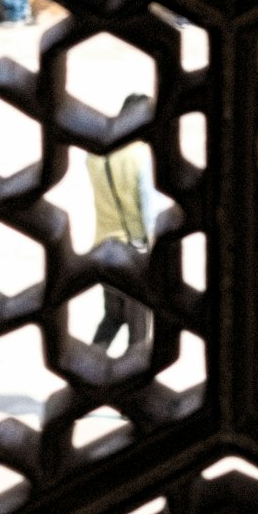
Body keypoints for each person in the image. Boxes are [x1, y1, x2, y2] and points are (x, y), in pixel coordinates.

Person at [83, 135, 160, 352]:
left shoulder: (95, 155)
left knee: (113, 317)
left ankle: (89, 369)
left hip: (103, 247)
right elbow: (149, 209)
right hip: (132, 253)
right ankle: (135, 382)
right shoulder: (141, 155)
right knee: (138, 331)